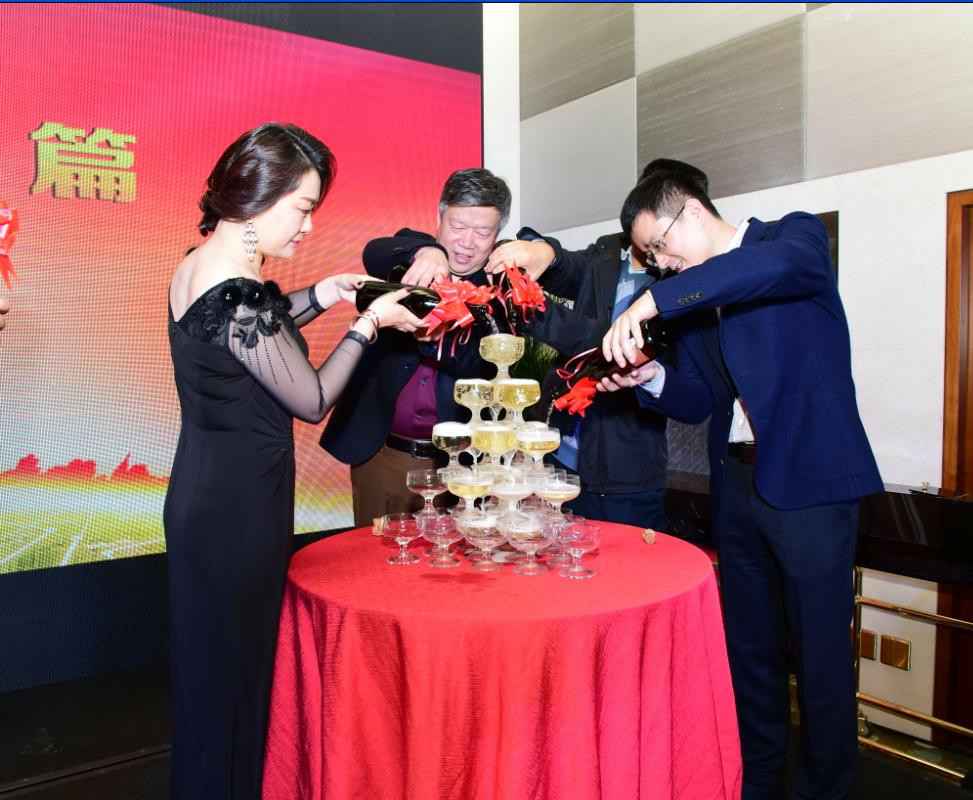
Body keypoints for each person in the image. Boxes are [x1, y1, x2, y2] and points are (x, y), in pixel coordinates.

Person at [599, 160, 882, 799]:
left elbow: (765, 270)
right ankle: (754, 782)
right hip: (739, 491)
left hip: (812, 488)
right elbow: (701, 398)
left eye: (658, 247)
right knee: (750, 656)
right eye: (651, 260)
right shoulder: (698, 302)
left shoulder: (793, 238)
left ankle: (825, 790)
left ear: (691, 210)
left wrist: (653, 299)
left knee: (820, 660)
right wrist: (651, 378)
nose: (662, 265)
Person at [164, 123, 422, 800]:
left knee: (213, 675)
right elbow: (310, 397)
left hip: (207, 492)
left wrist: (328, 293)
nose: (309, 227)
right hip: (237, 506)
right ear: (259, 196)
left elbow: (253, 339)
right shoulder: (237, 287)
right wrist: (369, 324)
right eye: (303, 209)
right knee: (237, 673)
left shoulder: (203, 265)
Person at [475, 160, 701, 531]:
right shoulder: (609, 252)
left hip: (625, 475)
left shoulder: (688, 285)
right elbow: (566, 265)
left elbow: (612, 343)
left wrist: (537, 313)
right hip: (558, 459)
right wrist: (541, 250)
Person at [320, 168, 511, 526]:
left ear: (497, 235)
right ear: (440, 217)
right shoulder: (410, 260)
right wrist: (428, 252)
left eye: (482, 232)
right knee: (373, 552)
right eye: (458, 227)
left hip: (460, 464)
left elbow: (483, 364)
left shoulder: (499, 289)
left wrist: (436, 337)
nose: (467, 242)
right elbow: (374, 251)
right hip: (383, 453)